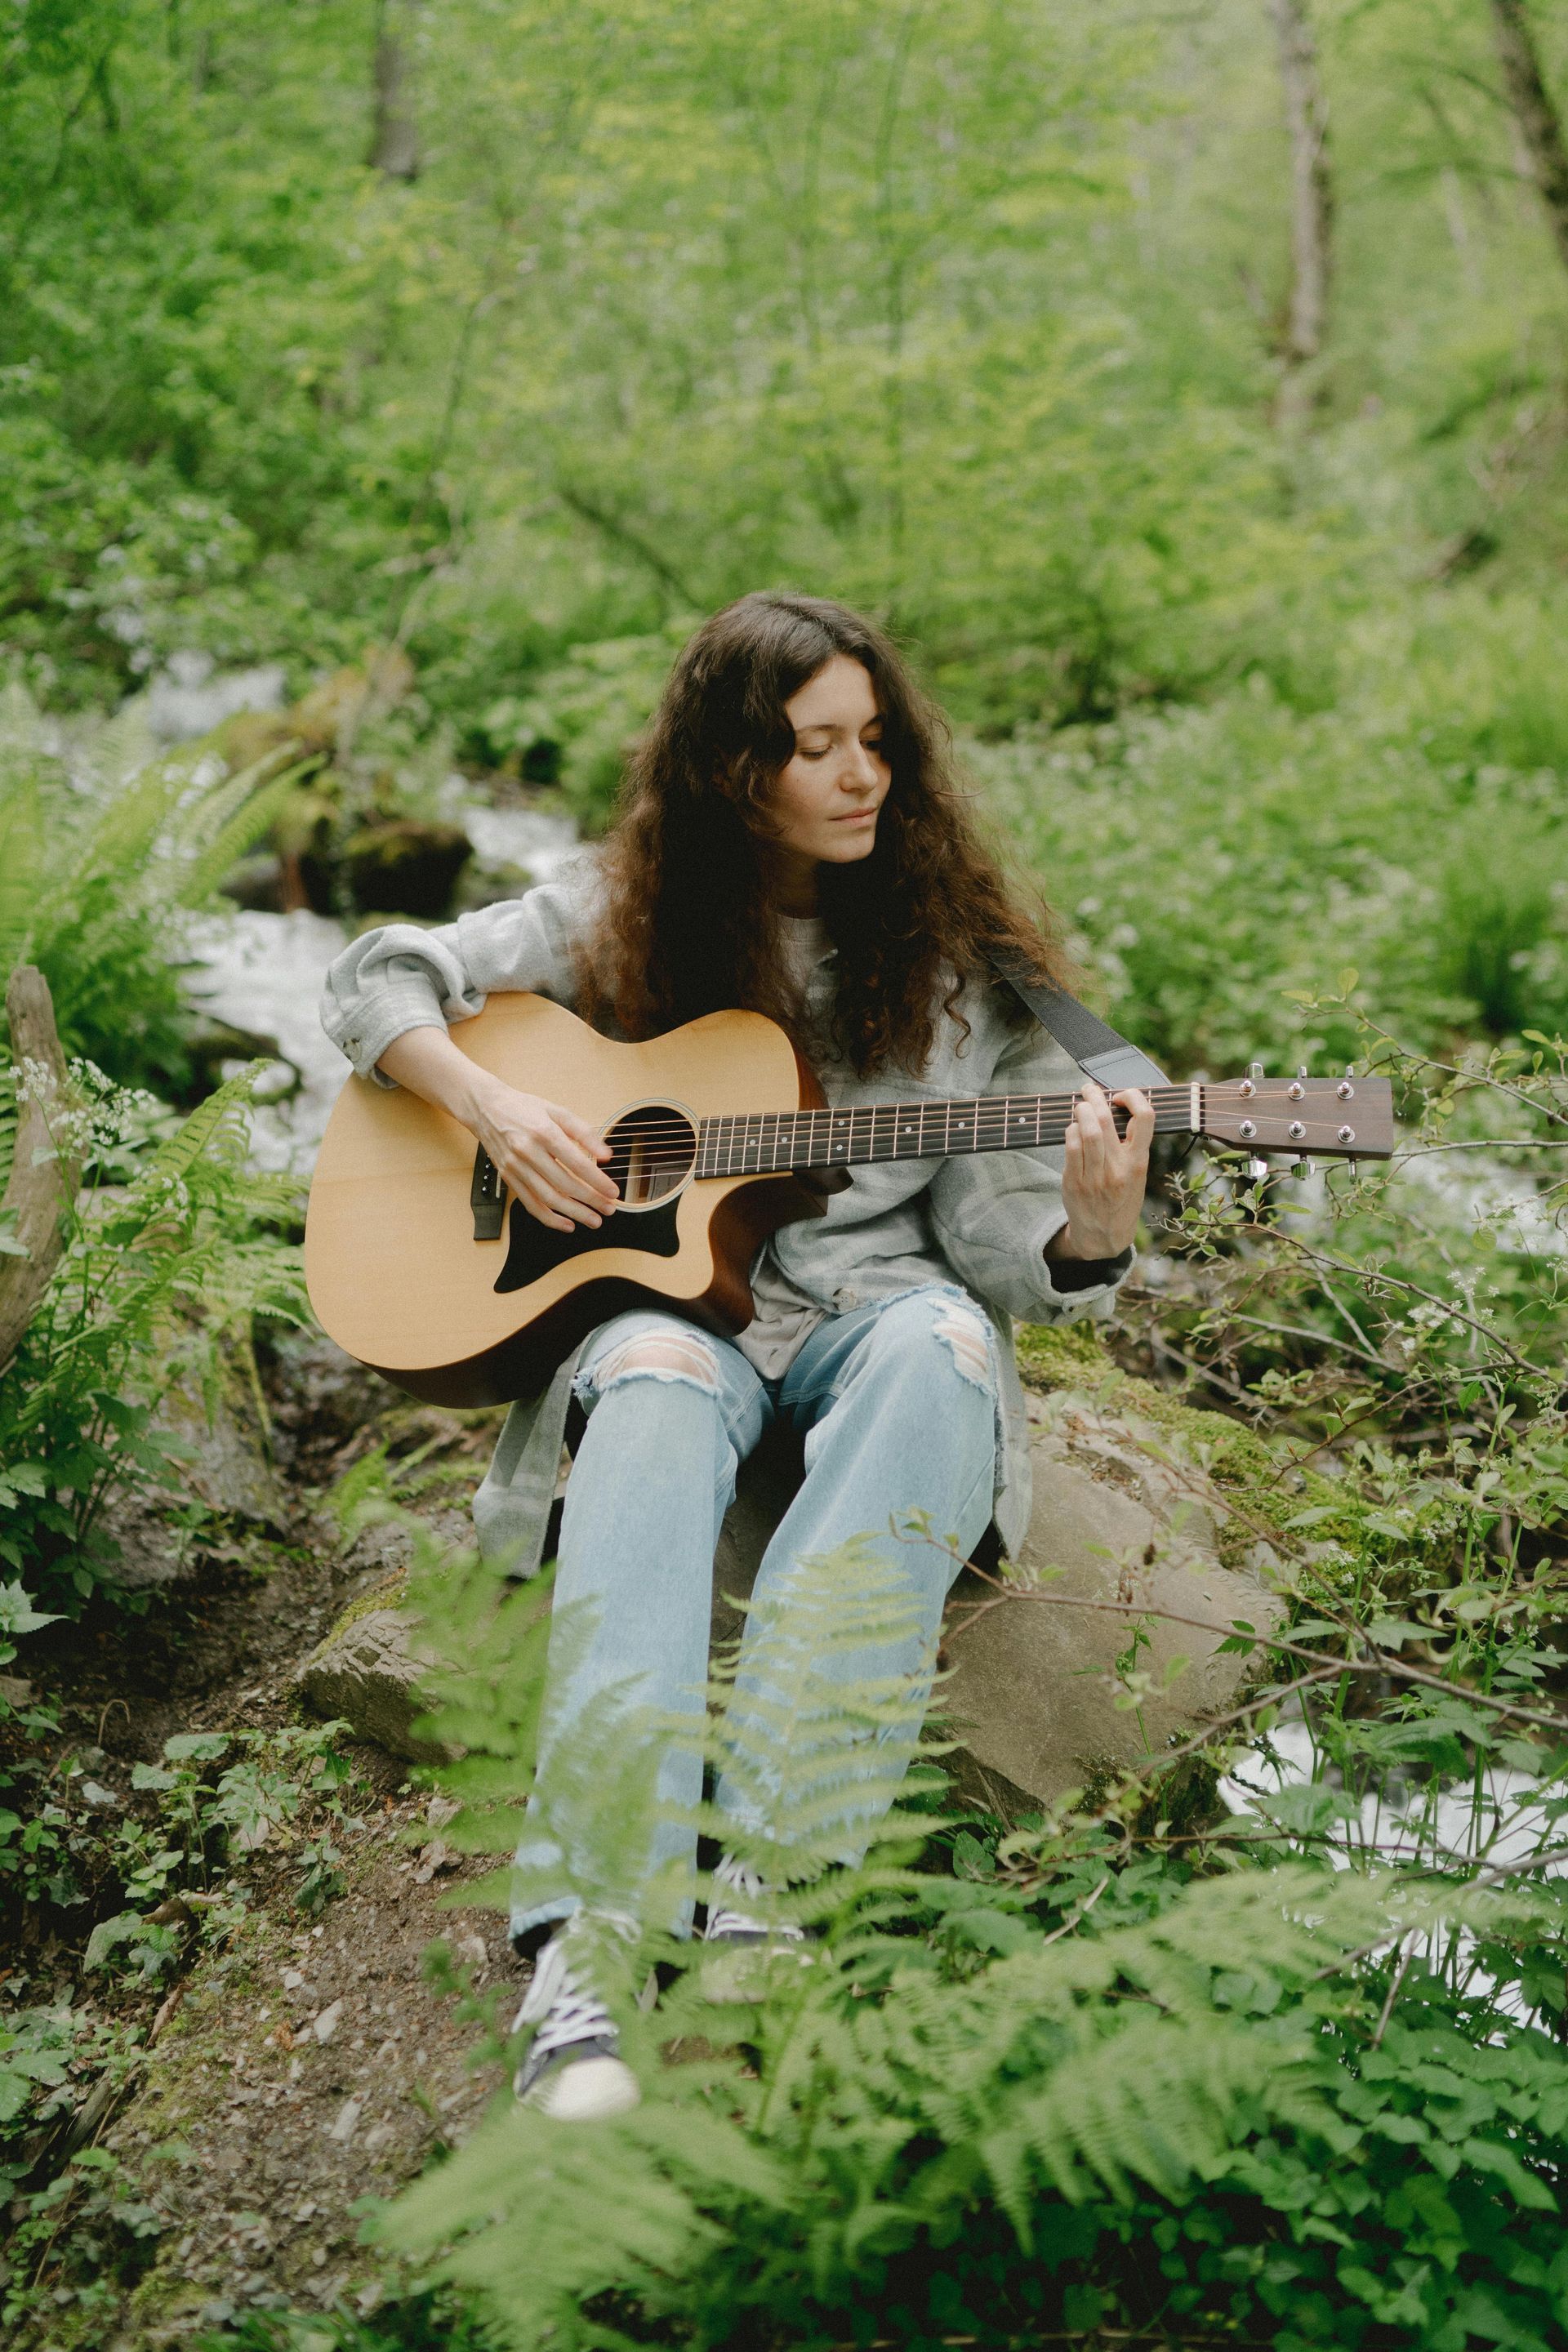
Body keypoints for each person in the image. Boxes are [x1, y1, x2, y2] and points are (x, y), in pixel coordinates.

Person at [320, 592, 1152, 2121]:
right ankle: (598, 1929)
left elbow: (991, 1253)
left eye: (877, 743)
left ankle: (774, 1875)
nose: (862, 778)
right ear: (728, 769)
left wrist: (1087, 1237)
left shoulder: (970, 969)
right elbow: (377, 977)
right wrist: (496, 1109)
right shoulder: (617, 907)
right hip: (675, 1321)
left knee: (945, 1346)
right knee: (644, 1379)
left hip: (877, 1313)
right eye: (815, 748)